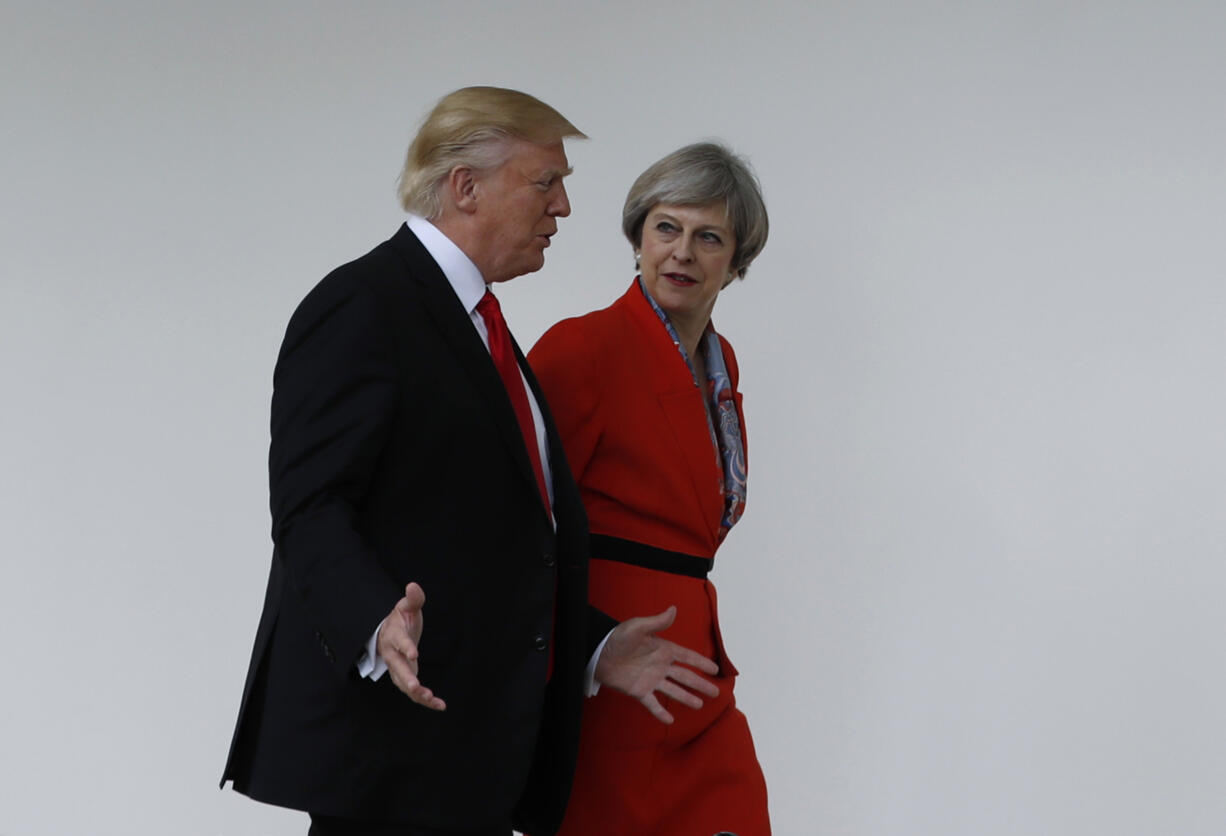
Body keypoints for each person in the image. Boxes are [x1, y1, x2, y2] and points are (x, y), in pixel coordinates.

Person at [220, 88, 721, 836]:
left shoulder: (483, 328)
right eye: (545, 182)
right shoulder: (364, 303)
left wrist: (597, 645)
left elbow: (499, 544)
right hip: (394, 762)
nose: (563, 209)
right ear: (465, 187)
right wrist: (374, 617)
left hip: (475, 763)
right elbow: (310, 504)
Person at [528, 142, 772, 835]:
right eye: (666, 227)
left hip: (700, 674)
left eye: (709, 237)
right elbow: (518, 524)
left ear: (737, 259)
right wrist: (590, 647)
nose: (682, 253)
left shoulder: (720, 362)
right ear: (638, 235)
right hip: (615, 676)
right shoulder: (585, 348)